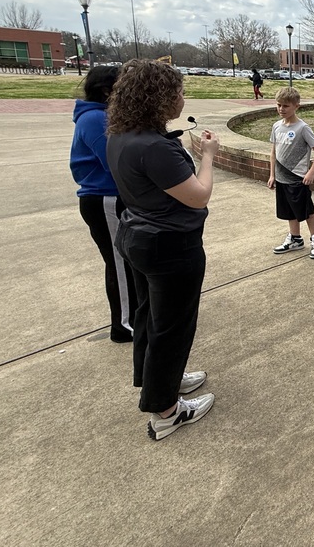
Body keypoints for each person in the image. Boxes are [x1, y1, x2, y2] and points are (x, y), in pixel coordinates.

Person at [106, 59, 217, 441]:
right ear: (159, 98)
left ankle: (159, 382)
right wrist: (208, 156)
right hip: (170, 247)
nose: (182, 98)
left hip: (138, 237)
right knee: (173, 327)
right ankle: (166, 412)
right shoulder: (154, 147)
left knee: (150, 318)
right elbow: (198, 196)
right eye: (178, 92)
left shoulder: (121, 136)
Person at [69, 65, 136, 343]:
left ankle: (132, 316)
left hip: (113, 197)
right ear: (108, 91)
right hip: (105, 199)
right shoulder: (95, 119)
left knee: (128, 261)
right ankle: (124, 325)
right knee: (119, 261)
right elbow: (115, 163)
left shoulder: (102, 116)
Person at [268, 86, 314, 258]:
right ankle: (295, 239)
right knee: (289, 211)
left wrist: (311, 172)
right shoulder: (277, 126)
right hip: (282, 178)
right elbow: (273, 152)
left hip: (298, 178)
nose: (281, 109)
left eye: (285, 106)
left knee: (307, 211)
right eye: (279, 105)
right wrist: (272, 175)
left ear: (296, 106)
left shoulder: (302, 128)